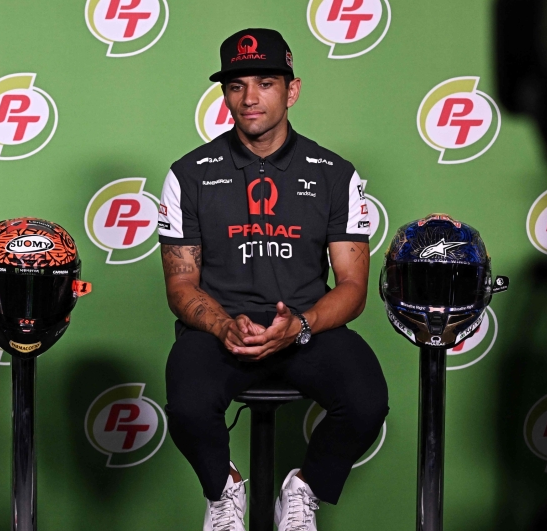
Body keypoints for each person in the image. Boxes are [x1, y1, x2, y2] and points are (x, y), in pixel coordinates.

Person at [158, 28, 389, 531]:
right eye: (237, 85)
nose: (250, 98)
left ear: (293, 90)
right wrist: (222, 326)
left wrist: (300, 325)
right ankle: (224, 490)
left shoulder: (334, 173)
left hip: (307, 327)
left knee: (368, 400)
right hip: (222, 329)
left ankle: (303, 487)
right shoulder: (189, 173)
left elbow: (352, 287)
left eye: (265, 82)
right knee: (188, 402)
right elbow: (181, 286)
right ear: (224, 94)